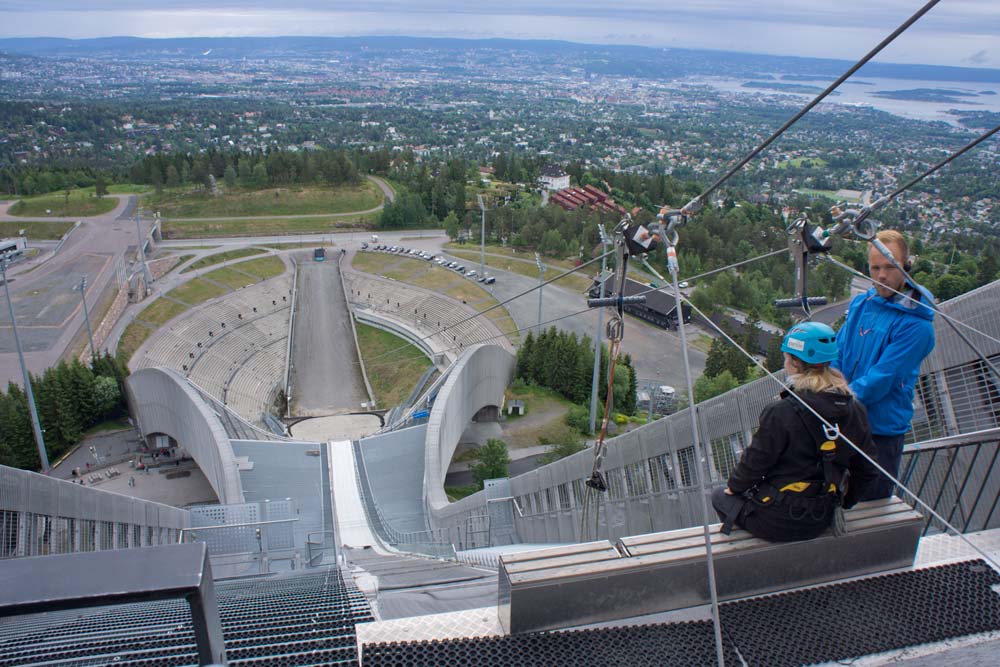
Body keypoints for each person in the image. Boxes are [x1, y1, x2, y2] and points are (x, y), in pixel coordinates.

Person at [712, 322, 879, 542]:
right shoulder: (854, 409)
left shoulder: (782, 411)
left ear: (796, 362)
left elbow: (756, 461)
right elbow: (867, 469)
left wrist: (734, 487)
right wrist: (845, 502)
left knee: (719, 497)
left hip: (778, 519)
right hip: (822, 516)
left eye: (787, 357)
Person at [833, 230, 935, 499]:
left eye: (890, 267)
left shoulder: (916, 325)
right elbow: (838, 351)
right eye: (875, 267)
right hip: (845, 420)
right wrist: (830, 388)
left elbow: (883, 377)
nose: (881, 275)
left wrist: (836, 399)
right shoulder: (862, 304)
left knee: (870, 505)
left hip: (879, 431)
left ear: (907, 267)